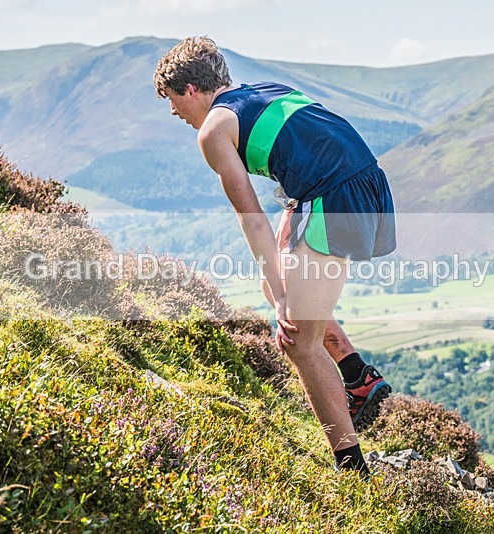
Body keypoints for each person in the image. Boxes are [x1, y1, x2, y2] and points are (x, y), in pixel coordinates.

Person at [153, 36, 396, 475]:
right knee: (272, 279)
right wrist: (287, 239)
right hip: (364, 184)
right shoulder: (267, 90)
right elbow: (311, 145)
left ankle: (352, 467)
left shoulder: (213, 131)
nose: (172, 112)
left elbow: (251, 219)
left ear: (190, 90)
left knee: (295, 342)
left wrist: (285, 300)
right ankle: (357, 375)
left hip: (332, 198)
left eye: (172, 100)